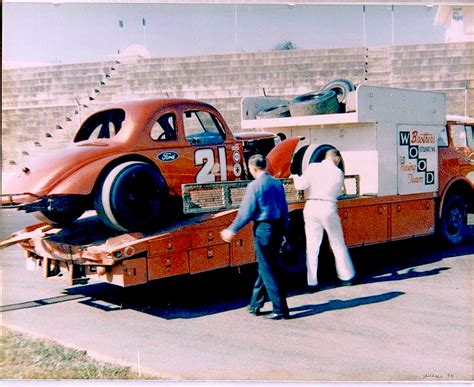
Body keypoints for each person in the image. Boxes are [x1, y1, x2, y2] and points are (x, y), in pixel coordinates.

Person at [220, 154, 289, 320]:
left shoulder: (254, 186)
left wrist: (232, 229)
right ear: (265, 166)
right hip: (278, 227)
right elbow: (285, 208)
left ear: (252, 168)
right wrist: (284, 231)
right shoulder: (277, 183)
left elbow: (246, 211)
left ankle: (280, 309)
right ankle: (255, 304)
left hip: (264, 229)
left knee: (268, 268)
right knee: (266, 266)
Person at [290, 148, 356, 292]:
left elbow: (300, 185)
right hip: (328, 206)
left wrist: (294, 176)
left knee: (312, 247)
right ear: (336, 158)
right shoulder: (339, 173)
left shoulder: (313, 168)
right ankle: (346, 276)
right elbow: (339, 192)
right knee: (337, 243)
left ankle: (312, 282)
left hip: (311, 206)